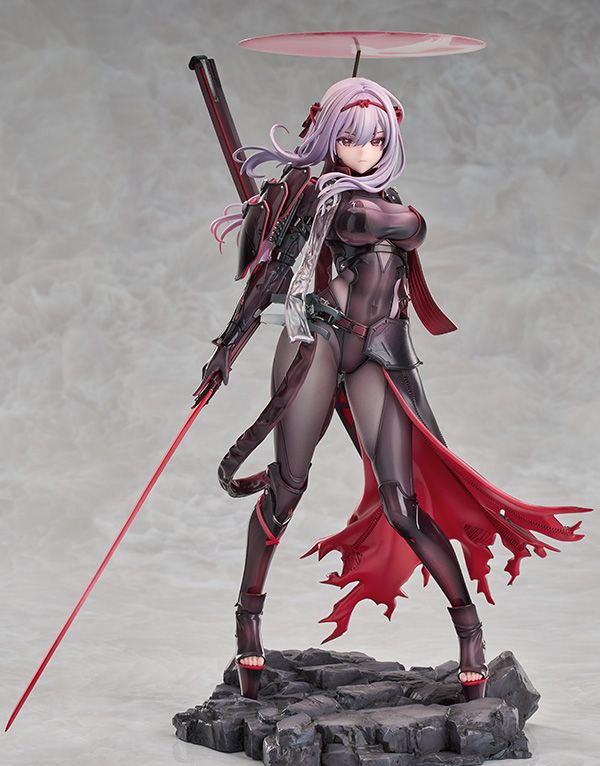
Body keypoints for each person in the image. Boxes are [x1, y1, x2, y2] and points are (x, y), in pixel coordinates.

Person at [204, 76, 589, 702]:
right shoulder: (311, 196)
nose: (365, 152)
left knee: (403, 505)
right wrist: (226, 348)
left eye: (377, 139)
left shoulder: (377, 201)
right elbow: (266, 281)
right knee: (288, 486)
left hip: (379, 350)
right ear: (329, 137)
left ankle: (469, 631)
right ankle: (248, 617)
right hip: (317, 342)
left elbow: (397, 225)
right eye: (351, 139)